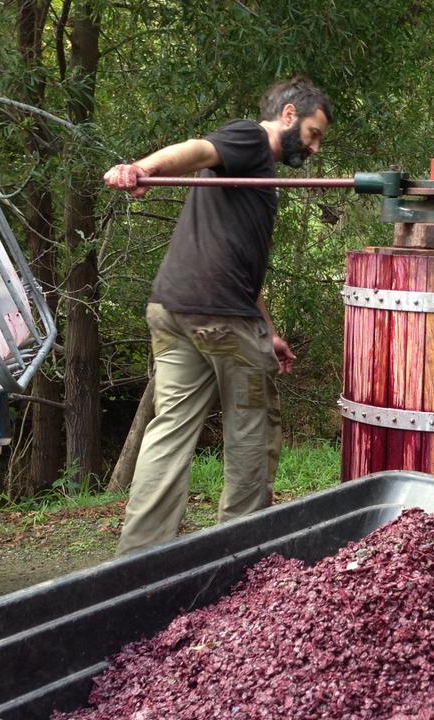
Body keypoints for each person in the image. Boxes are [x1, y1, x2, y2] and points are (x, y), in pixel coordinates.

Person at [103, 76, 332, 555]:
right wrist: (141, 168)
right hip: (219, 320)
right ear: (288, 115)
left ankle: (138, 560)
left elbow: (241, 267)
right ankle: (240, 558)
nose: (313, 148)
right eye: (312, 134)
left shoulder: (255, 176)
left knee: (170, 428)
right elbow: (197, 148)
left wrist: (266, 331)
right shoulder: (251, 138)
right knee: (252, 429)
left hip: (173, 310)